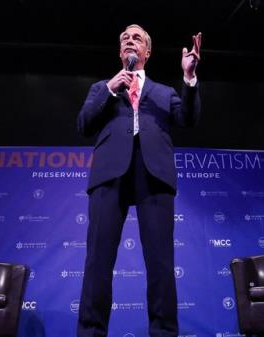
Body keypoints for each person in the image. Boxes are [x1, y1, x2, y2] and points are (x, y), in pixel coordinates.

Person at [76, 24, 202, 337]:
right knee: (97, 262)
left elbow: (188, 119)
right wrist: (108, 89)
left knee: (160, 263)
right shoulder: (100, 88)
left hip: (154, 173)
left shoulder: (164, 92)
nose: (130, 41)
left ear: (147, 52)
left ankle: (163, 332)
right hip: (109, 175)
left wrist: (188, 78)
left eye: (138, 38)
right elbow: (83, 125)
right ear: (121, 52)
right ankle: (90, 332)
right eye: (125, 38)